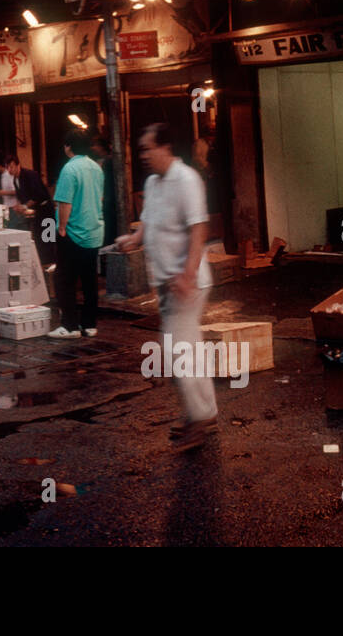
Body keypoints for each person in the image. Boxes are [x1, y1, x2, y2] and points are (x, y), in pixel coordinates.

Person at [117, 123, 216, 449]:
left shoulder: (187, 179)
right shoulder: (153, 183)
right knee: (189, 349)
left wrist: (187, 274)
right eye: (142, 149)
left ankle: (198, 419)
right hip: (165, 282)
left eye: (147, 149)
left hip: (185, 283)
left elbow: (199, 228)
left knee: (177, 350)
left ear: (165, 147)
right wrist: (133, 239)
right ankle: (205, 411)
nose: (143, 155)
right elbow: (149, 221)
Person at [49, 131, 105, 342]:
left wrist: (61, 228)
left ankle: (69, 325)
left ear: (68, 146)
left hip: (73, 231)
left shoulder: (69, 168)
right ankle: (89, 325)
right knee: (90, 280)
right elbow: (99, 198)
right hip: (94, 231)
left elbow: (64, 202)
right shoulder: (96, 168)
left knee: (64, 279)